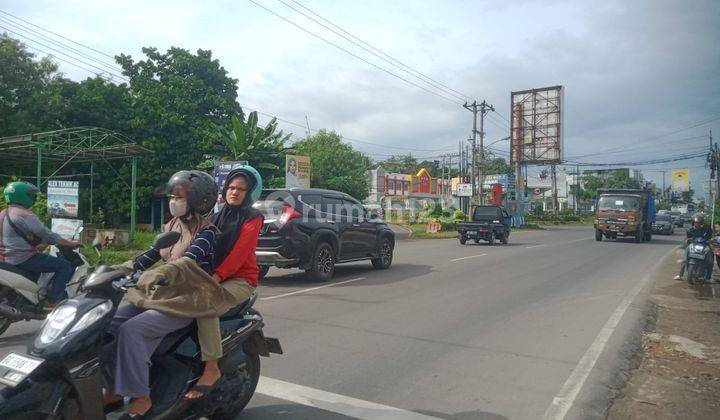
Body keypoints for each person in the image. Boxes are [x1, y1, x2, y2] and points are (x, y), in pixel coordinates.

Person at [102, 170, 218, 418]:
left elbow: (188, 261)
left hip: (187, 299)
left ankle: (141, 395)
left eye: (179, 196)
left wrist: (158, 274)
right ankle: (112, 389)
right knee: (107, 322)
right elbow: (149, 256)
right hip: (161, 293)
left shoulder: (207, 232)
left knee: (133, 330)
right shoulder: (171, 226)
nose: (173, 200)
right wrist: (114, 270)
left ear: (199, 201)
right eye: (172, 195)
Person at [184, 165, 264, 400]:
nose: (234, 192)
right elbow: (198, 242)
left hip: (240, 279)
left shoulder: (253, 217)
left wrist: (215, 278)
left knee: (206, 306)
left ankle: (211, 368)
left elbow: (240, 253)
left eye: (241, 189)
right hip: (213, 275)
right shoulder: (217, 216)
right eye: (231, 187)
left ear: (249, 193)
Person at [0, 181, 81, 308]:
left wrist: (38, 246)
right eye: (31, 195)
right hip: (22, 259)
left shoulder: (2, 213)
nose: (33, 198)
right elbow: (48, 235)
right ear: (23, 196)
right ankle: (53, 300)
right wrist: (70, 243)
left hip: (5, 259)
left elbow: (12, 240)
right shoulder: (25, 215)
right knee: (64, 266)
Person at [674, 214, 713, 280]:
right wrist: (687, 240)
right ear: (693, 223)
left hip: (704, 246)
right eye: (696, 223)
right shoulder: (690, 230)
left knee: (710, 261)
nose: (697, 224)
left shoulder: (705, 230)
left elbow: (709, 236)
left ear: (701, 223)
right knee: (684, 260)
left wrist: (709, 241)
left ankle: (708, 277)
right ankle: (680, 275)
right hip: (693, 245)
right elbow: (687, 238)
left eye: (699, 223)